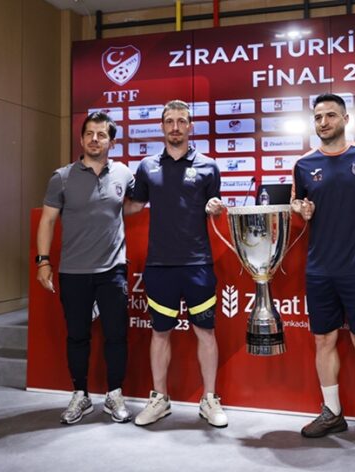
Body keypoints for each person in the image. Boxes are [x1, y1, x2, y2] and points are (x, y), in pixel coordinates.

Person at [291, 93, 355, 453]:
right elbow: (296, 202)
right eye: (318, 116)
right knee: (323, 340)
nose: (323, 122)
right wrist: (299, 207)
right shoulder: (303, 164)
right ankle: (332, 411)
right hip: (319, 269)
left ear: (346, 119)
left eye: (331, 115)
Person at [125, 100, 228, 428]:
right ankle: (159, 399)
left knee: (205, 331)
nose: (175, 127)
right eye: (169, 121)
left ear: (190, 126)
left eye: (181, 121)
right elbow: (135, 205)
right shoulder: (146, 167)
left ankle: (210, 399)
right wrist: (102, 200)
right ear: (161, 127)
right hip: (159, 264)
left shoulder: (209, 167)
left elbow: (214, 205)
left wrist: (215, 207)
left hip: (197, 262)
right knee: (160, 332)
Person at [36, 111, 134, 425]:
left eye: (101, 134)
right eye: (89, 133)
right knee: (77, 336)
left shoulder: (124, 175)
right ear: (81, 139)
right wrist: (43, 261)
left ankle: (114, 394)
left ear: (112, 141)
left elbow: (132, 205)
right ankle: (80, 394)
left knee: (116, 336)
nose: (94, 139)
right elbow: (47, 220)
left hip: (113, 270)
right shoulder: (61, 177)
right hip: (73, 271)